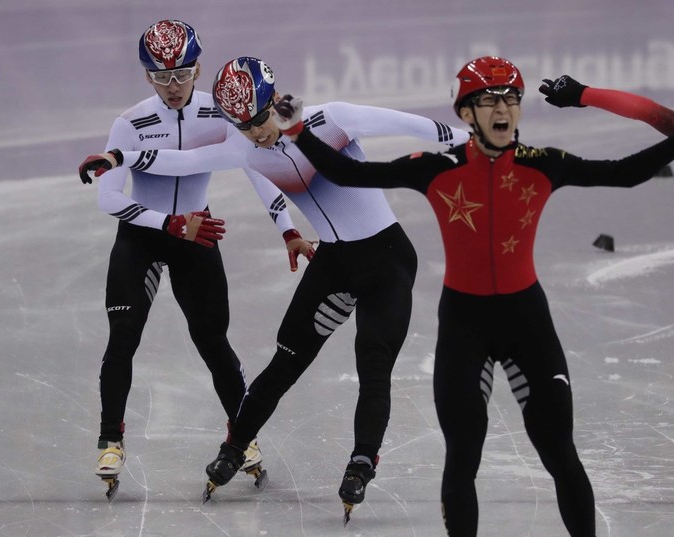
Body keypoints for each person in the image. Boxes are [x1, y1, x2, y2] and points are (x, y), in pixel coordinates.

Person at [270, 57, 674, 536]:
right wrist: (298, 131)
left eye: (511, 99)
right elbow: (353, 174)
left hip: (527, 323)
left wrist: (593, 98)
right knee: (462, 460)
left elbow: (625, 173)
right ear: (467, 114)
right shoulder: (436, 168)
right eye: (488, 100)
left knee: (560, 453)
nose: (502, 108)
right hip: (465, 327)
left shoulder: (543, 164)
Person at [78, 56, 471, 517]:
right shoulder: (246, 148)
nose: (258, 134)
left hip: (387, 260)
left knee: (374, 362)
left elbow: (419, 126)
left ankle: (362, 463)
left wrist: (475, 146)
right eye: (243, 127)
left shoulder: (332, 120)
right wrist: (117, 157)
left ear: (275, 100)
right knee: (284, 361)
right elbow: (182, 158)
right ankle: (235, 447)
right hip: (332, 262)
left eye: (261, 120)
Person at [85, 22, 311, 499]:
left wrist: (287, 228)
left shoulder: (224, 113)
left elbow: (259, 168)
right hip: (144, 235)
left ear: (199, 68)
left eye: (183, 73)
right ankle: (110, 439)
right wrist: (166, 223)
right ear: (146, 76)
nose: (173, 86)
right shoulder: (129, 122)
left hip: (196, 234)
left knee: (213, 343)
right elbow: (107, 198)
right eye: (161, 77)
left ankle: (240, 434)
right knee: (123, 337)